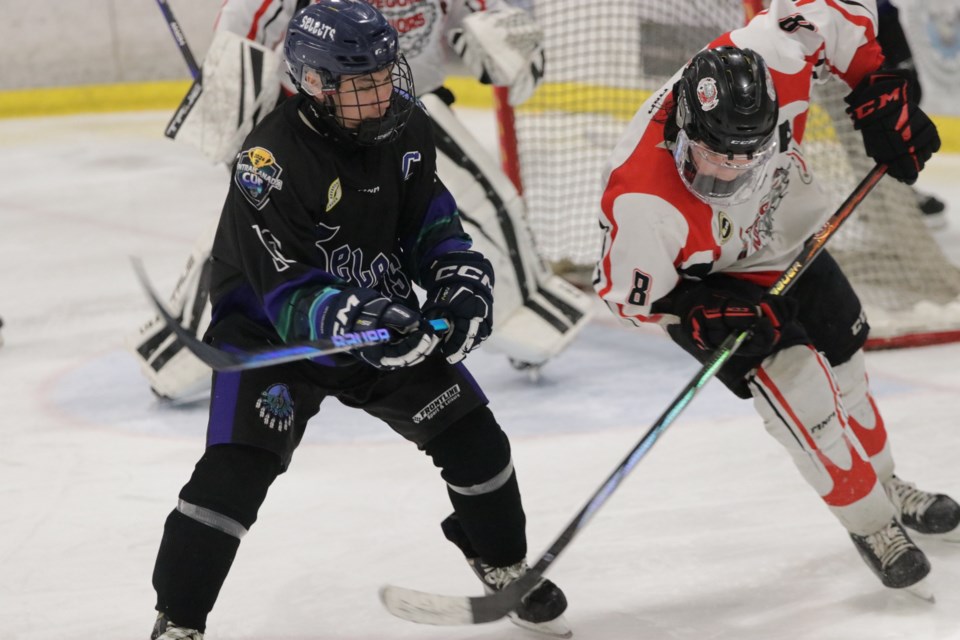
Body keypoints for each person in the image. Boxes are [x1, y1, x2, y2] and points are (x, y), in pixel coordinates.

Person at [147, 2, 571, 638]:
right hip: (273, 337)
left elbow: (432, 224)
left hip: (381, 323)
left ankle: (502, 563)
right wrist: (354, 315)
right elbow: (285, 295)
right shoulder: (269, 162)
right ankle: (178, 621)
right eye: (361, 84)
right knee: (233, 478)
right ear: (314, 85)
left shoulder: (407, 127)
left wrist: (459, 287)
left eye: (384, 74)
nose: (380, 93)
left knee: (476, 440)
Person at [595, 0, 959, 597]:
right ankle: (872, 526)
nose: (731, 173)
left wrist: (878, 85)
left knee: (849, 372)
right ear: (684, 128)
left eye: (747, 157)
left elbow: (841, 12)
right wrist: (694, 309)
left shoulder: (775, 51)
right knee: (803, 396)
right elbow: (628, 298)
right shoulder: (640, 199)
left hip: (787, 239)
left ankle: (888, 484)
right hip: (715, 282)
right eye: (716, 158)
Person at [128, 0, 593, 403]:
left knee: (485, 196)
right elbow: (248, 22)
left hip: (409, 104)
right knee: (252, 231)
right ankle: (181, 347)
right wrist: (232, 95)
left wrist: (503, 39)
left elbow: (476, 16)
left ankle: (523, 303)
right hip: (315, 115)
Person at [875, 0, 947, 228]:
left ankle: (894, 191)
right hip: (847, 26)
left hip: (880, 19)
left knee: (908, 94)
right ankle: (885, 197)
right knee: (870, 116)